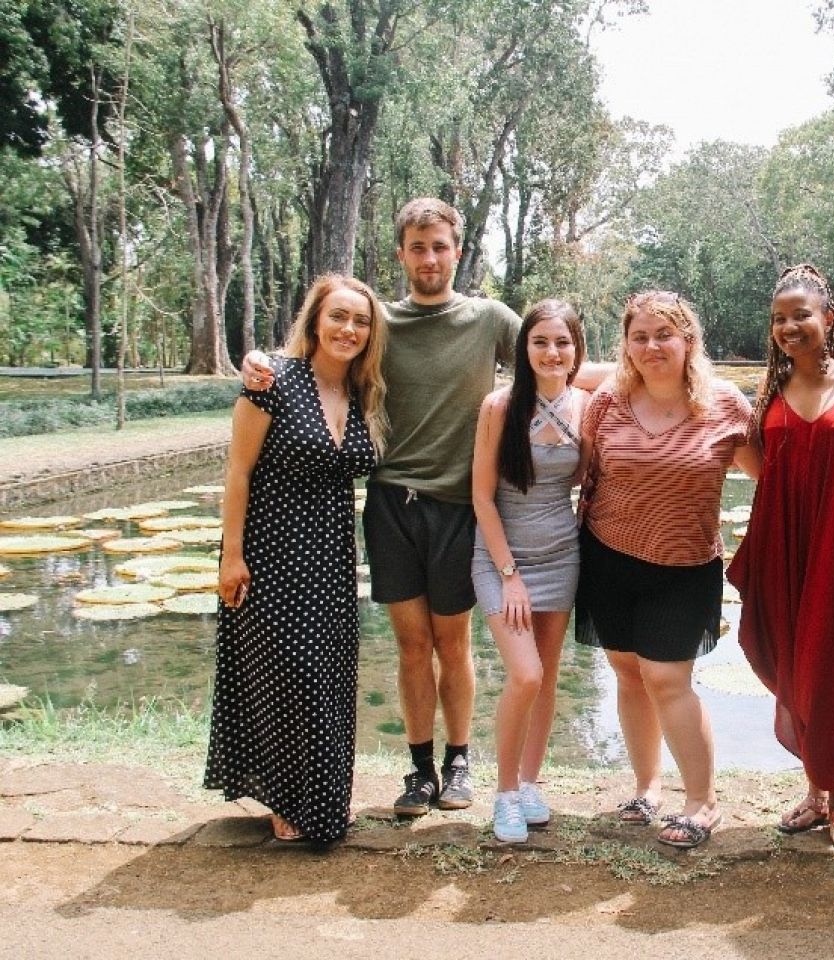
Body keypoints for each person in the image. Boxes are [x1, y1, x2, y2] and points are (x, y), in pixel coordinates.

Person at [245, 199, 611, 817]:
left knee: (455, 643)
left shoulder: (489, 318)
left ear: (457, 251)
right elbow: (324, 359)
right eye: (418, 247)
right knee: (412, 646)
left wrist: (651, 373)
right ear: (402, 255)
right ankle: (419, 767)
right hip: (391, 505)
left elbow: (550, 358)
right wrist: (265, 363)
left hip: (457, 507)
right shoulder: (381, 323)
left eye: (440, 246)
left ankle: (459, 760)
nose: (430, 258)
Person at [207, 274, 388, 844]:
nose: (349, 329)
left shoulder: (365, 393)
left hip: (332, 558)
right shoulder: (272, 381)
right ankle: (288, 800)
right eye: (338, 316)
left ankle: (325, 799)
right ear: (315, 320)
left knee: (329, 676)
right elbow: (237, 471)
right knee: (287, 675)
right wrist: (230, 557)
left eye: (360, 321)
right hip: (272, 551)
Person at [575, 290, 760, 849]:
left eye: (664, 335)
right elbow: (582, 467)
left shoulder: (725, 404)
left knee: (667, 679)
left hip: (683, 566)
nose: (652, 346)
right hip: (607, 557)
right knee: (629, 674)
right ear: (626, 345)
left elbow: (769, 476)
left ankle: (702, 802)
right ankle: (647, 787)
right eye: (640, 336)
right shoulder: (608, 401)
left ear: (688, 341)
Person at [726, 264, 834, 851]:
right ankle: (816, 793)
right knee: (791, 656)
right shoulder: (769, 388)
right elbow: (759, 461)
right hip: (784, 540)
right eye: (778, 319)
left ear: (828, 317)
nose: (789, 327)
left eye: (801, 315)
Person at [470, 300, 588, 844]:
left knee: (547, 679)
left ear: (576, 349)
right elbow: (482, 497)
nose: (551, 352)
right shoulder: (499, 407)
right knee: (526, 675)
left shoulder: (588, 406)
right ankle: (504, 793)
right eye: (539, 341)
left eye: (562, 342)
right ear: (524, 349)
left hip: (561, 556)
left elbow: (587, 484)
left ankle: (531, 781)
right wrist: (509, 572)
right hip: (502, 559)